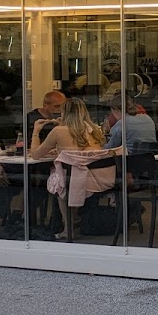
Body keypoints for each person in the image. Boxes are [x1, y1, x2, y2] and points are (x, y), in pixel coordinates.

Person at [31, 97, 116, 239]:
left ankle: (67, 227)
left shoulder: (59, 131)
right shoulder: (94, 129)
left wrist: (36, 131)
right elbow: (86, 152)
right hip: (99, 179)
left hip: (76, 181)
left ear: (64, 113)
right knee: (65, 176)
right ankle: (73, 218)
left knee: (59, 181)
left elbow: (35, 155)